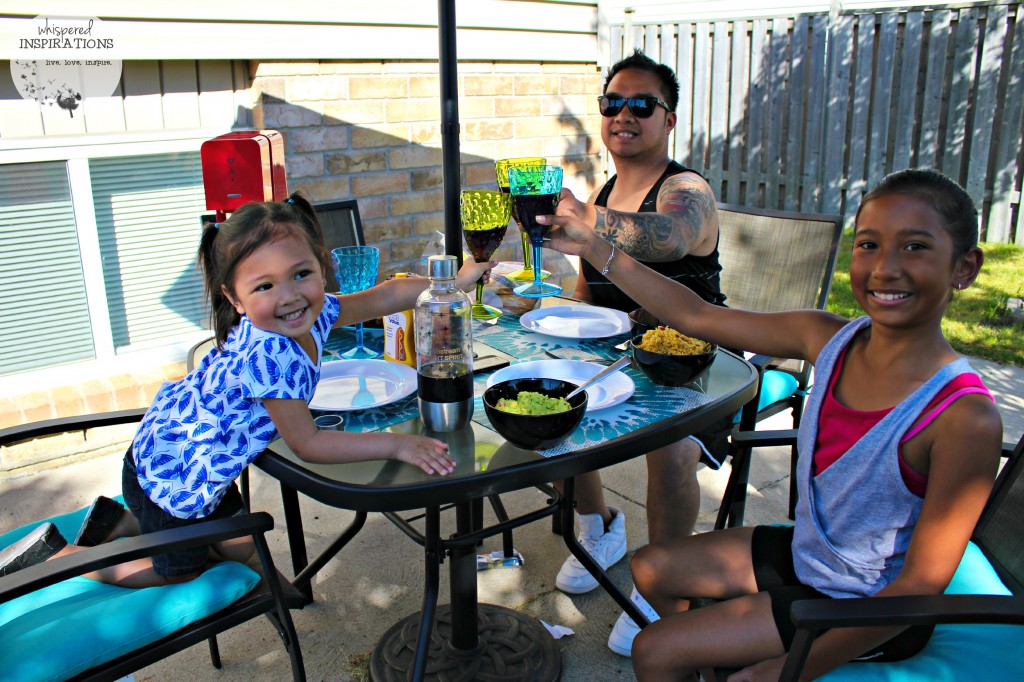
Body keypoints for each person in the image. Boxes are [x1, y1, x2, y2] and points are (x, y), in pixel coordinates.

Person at [542, 168, 1003, 679]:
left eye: (915, 247)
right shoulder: (827, 337)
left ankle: (698, 654)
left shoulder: (964, 417)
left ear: (965, 267)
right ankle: (704, 655)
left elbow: (917, 590)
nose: (885, 268)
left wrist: (789, 669)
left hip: (867, 606)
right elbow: (696, 316)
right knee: (652, 569)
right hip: (814, 558)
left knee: (656, 649)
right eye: (869, 244)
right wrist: (594, 248)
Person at [0, 194, 494, 587]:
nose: (288, 296)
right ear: (234, 299)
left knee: (244, 545)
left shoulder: (315, 312)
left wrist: (452, 283)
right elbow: (309, 444)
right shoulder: (270, 358)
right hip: (175, 479)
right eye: (264, 286)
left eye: (301, 273)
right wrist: (398, 443)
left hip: (184, 452)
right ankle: (64, 556)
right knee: (179, 571)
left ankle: (126, 526)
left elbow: (386, 294)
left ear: (321, 268)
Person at [550, 48, 729, 656]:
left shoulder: (685, 188)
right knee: (549, 404)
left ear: (669, 118)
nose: (623, 114)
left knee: (672, 444)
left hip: (690, 354)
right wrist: (550, 316)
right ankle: (600, 527)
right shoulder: (606, 186)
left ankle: (665, 583)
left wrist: (587, 218)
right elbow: (587, 286)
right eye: (612, 103)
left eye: (641, 104)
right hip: (615, 347)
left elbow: (671, 237)